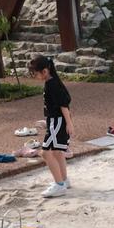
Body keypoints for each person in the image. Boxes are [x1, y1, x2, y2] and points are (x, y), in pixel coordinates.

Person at [29, 55, 75, 198]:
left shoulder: (52, 84)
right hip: (55, 121)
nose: (34, 76)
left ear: (44, 71)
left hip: (58, 122)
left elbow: (63, 104)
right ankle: (64, 180)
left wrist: (69, 123)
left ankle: (59, 185)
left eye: (35, 73)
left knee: (45, 152)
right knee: (57, 152)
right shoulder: (51, 82)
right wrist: (47, 121)